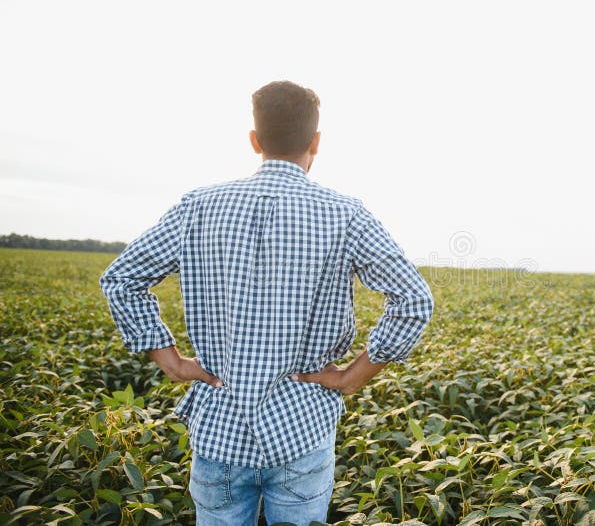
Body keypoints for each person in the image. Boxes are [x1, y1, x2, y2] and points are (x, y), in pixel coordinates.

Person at [100, 80, 434, 525]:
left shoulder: (198, 207)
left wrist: (174, 363)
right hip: (302, 427)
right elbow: (413, 299)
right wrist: (353, 377)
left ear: (255, 140)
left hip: (219, 429)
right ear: (316, 142)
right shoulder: (345, 213)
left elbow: (121, 278)